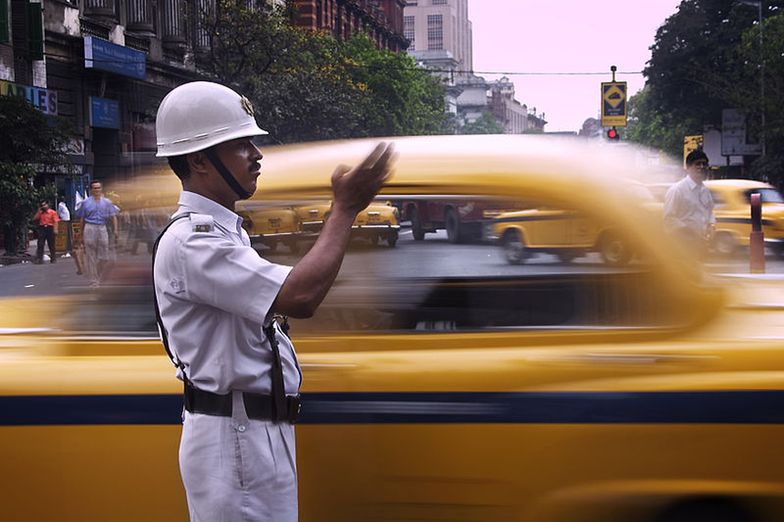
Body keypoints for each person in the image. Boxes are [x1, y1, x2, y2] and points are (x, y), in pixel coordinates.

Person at [152, 81, 394, 522]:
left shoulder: (225, 232)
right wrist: (344, 209)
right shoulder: (194, 241)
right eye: (240, 144)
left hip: (252, 431)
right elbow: (301, 295)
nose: (256, 155)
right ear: (199, 160)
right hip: (236, 438)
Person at [663, 149, 715, 257]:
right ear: (688, 167)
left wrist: (711, 225)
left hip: (700, 245)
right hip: (681, 246)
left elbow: (710, 212)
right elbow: (669, 218)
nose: (701, 167)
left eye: (704, 164)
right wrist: (688, 232)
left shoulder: (705, 191)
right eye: (697, 164)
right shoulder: (677, 190)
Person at [78, 180, 119, 287]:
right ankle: (94, 280)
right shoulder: (86, 203)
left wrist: (116, 230)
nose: (97, 190)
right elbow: (82, 219)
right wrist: (80, 234)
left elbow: (113, 216)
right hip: (89, 227)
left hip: (102, 227)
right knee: (91, 255)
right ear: (91, 190)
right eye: (94, 188)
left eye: (98, 188)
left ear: (101, 189)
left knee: (105, 256)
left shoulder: (107, 202)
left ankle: (98, 272)